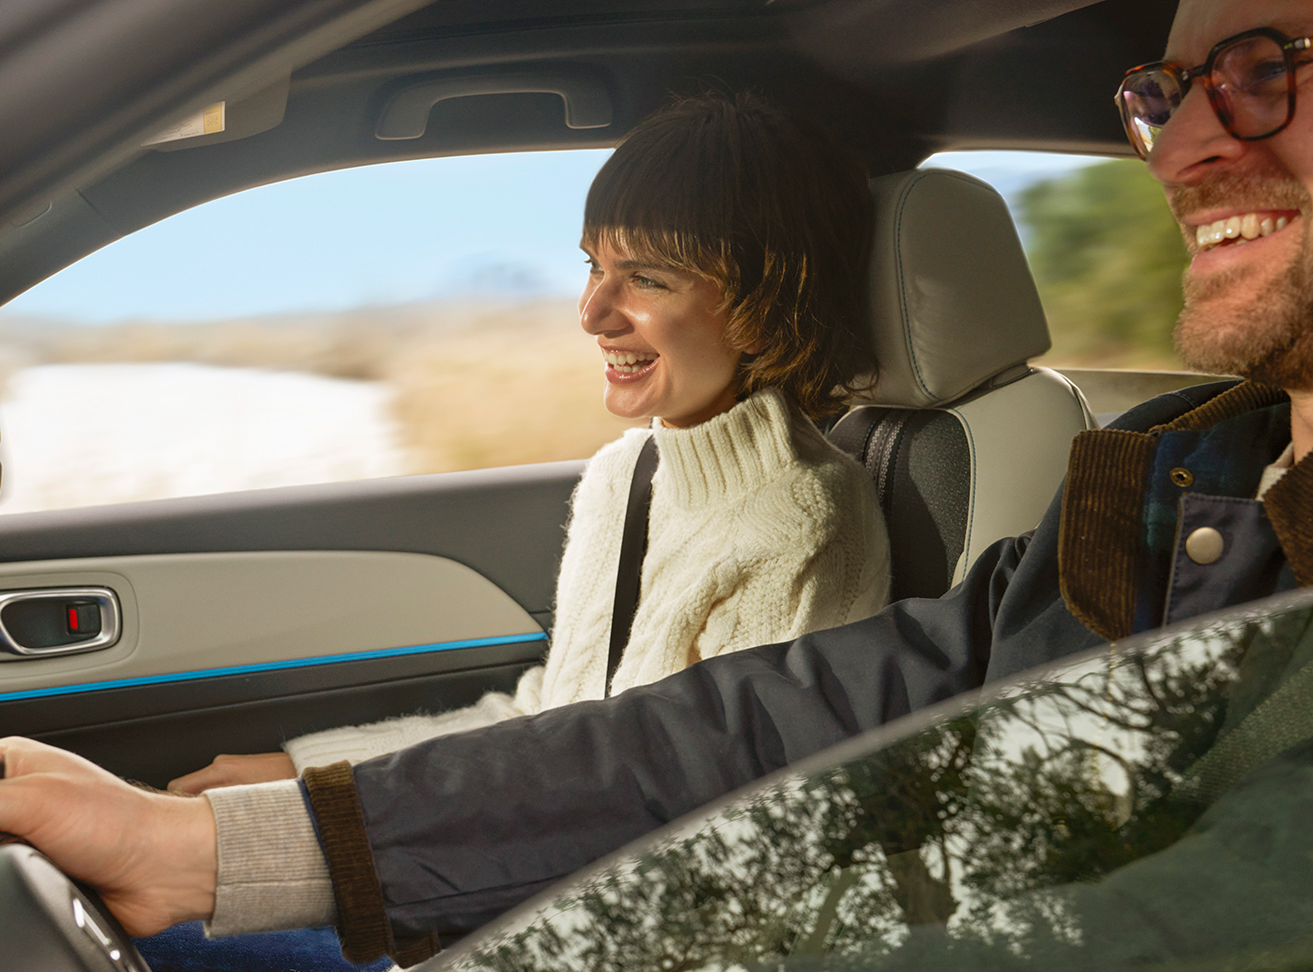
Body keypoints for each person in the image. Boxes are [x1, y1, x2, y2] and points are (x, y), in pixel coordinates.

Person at [0, 0, 1313, 965]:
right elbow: (771, 725)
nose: (1177, 151)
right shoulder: (1175, 486)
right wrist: (241, 845)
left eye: (1260, 65)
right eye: (1154, 98)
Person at [161, 94, 890, 798]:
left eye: (646, 278)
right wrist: (308, 772)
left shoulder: (803, 523)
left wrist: (334, 833)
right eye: (593, 267)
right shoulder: (624, 477)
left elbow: (735, 813)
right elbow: (546, 722)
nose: (592, 314)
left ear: (766, 311)